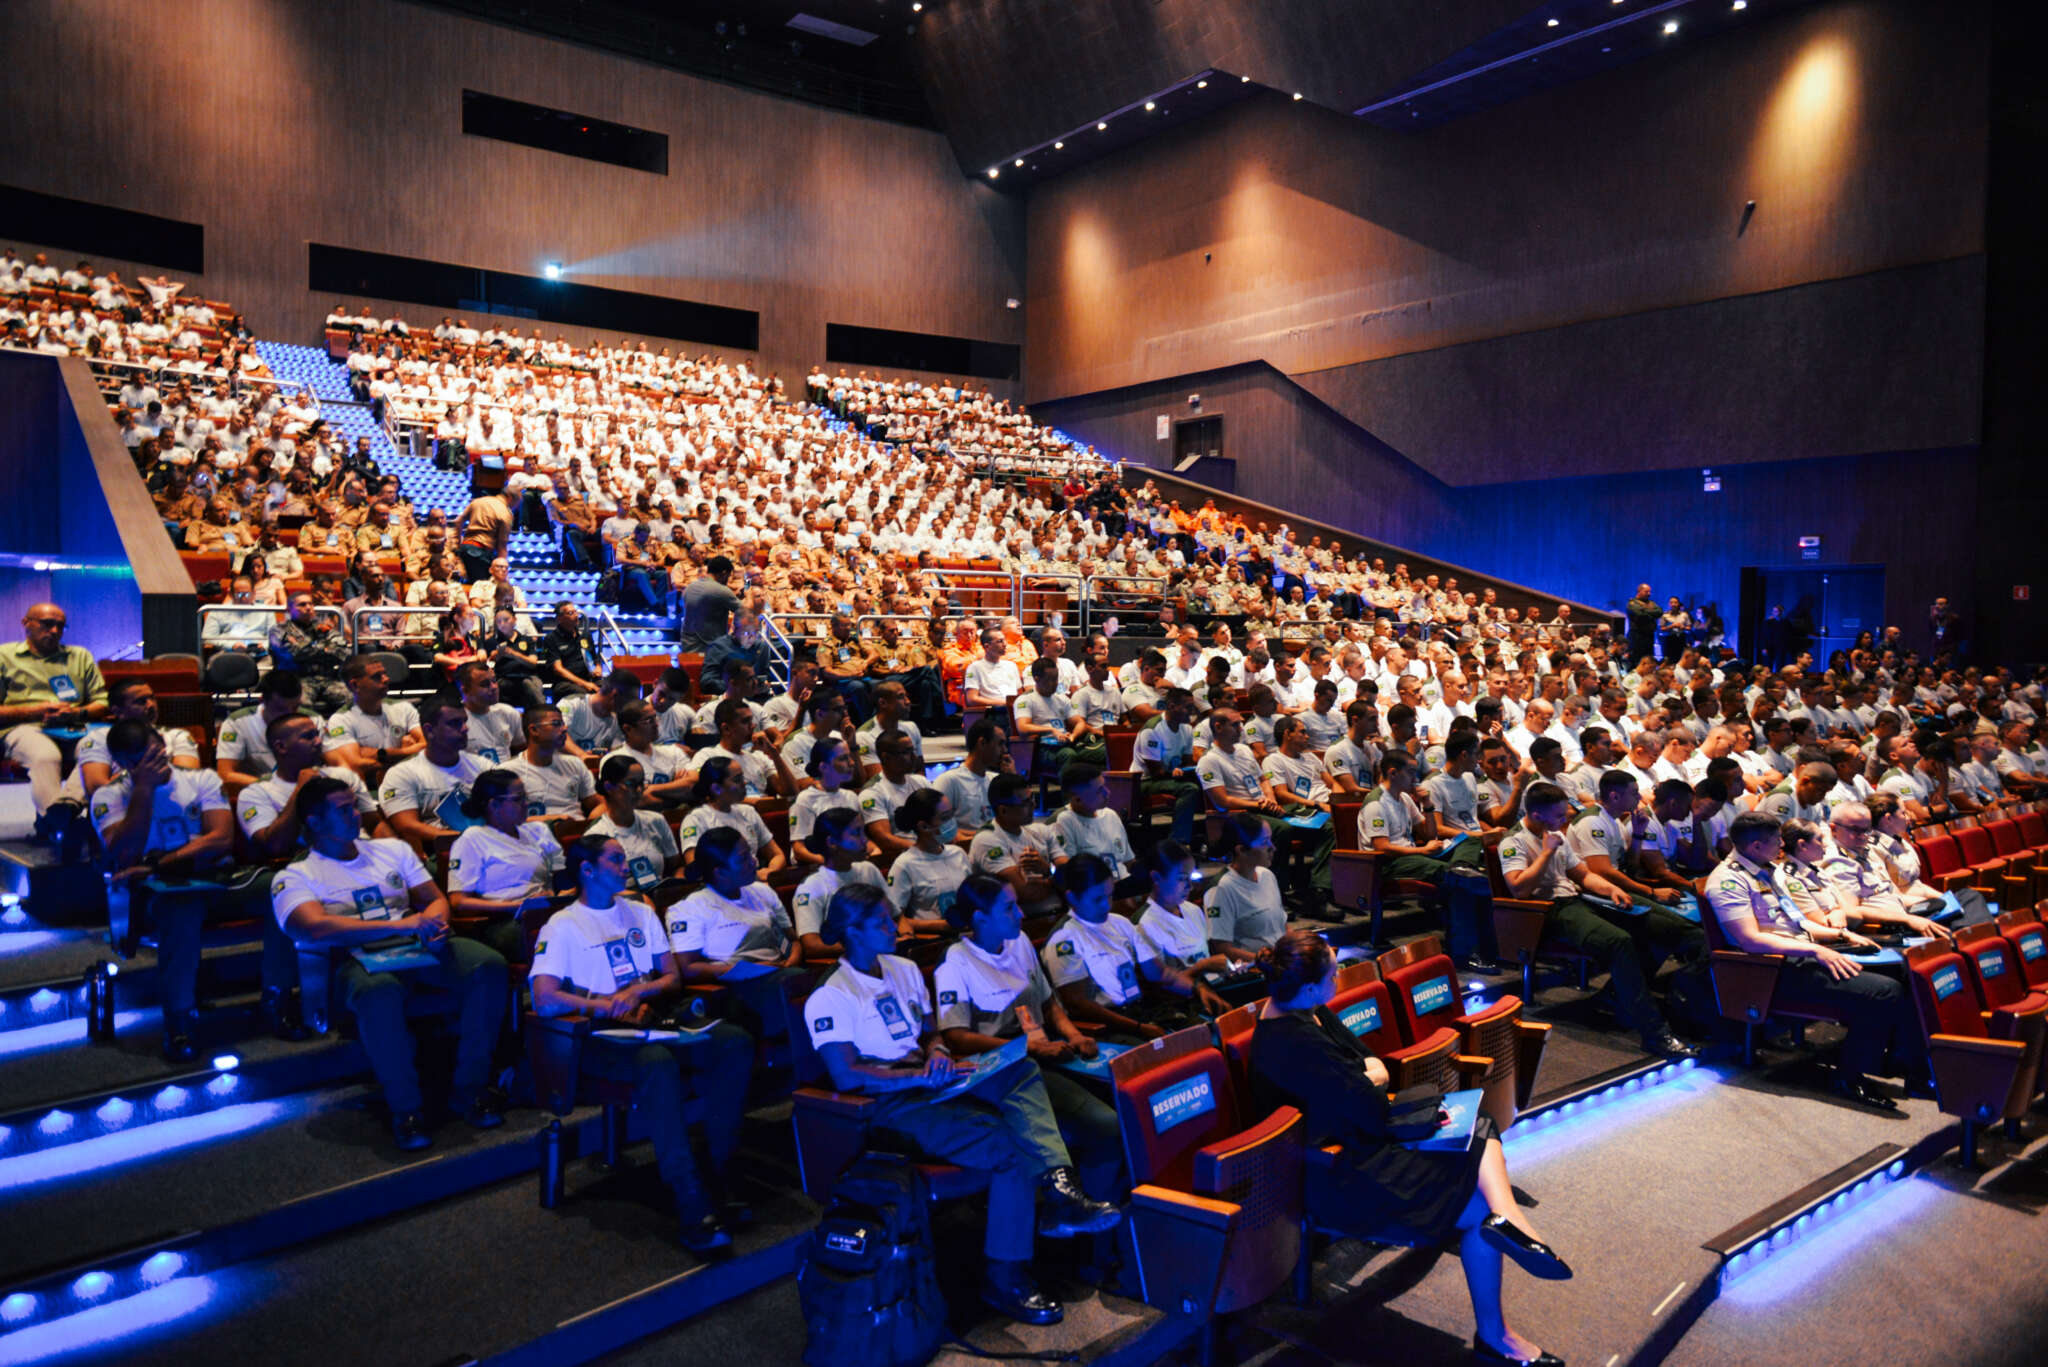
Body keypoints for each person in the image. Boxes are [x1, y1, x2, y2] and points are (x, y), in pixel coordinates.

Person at [1248, 929, 1570, 1367]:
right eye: (1333, 969)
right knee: (1477, 1194)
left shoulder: (1308, 1011)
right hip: (1338, 1175)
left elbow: (1369, 1069)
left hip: (1360, 1145)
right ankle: (1496, 1327)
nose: (1340, 972)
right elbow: (1371, 1099)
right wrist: (1372, 1077)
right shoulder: (1294, 1042)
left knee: (1477, 1123)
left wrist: (1372, 1076)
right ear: (1308, 986)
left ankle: (1506, 1225)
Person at [803, 883, 1121, 1326]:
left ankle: (1059, 1189)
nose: (895, 926)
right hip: (891, 1102)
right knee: (1006, 1144)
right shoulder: (832, 995)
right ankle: (1005, 1276)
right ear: (853, 932)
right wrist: (918, 1074)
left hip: (935, 1078)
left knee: (1020, 1069)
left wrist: (935, 1052)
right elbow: (848, 1075)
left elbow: (931, 1030)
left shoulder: (903, 967)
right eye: (881, 922)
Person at [530, 835, 756, 1252]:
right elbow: (544, 998)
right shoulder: (563, 925)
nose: (626, 865)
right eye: (616, 859)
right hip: (599, 1037)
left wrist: (639, 993)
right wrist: (602, 1005)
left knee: (733, 1042)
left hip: (652, 1019)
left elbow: (671, 976)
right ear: (587, 870)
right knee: (656, 1063)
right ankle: (691, 1200)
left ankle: (722, 1172)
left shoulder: (640, 910)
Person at [271, 776, 508, 1150]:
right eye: (343, 809)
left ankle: (470, 1087)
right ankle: (407, 1110)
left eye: (355, 805)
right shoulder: (296, 875)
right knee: (378, 992)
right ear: (315, 822)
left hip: (416, 946)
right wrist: (404, 923)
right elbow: (313, 928)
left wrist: (435, 923)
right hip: (356, 959)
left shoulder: (391, 850)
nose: (357, 814)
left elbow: (434, 899)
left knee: (488, 966)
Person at [94, 720, 302, 1060]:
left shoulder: (201, 779)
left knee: (281, 888)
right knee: (181, 908)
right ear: (122, 762)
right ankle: (179, 1020)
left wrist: (161, 862)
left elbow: (220, 839)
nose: (148, 766)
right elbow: (124, 853)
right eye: (135, 762)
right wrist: (144, 790)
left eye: (152, 755)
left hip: (213, 880)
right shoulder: (109, 795)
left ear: (163, 744)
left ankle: (279, 997)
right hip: (154, 894)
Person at [1703, 813, 1926, 1110]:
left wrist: (1840, 934)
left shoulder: (1765, 869)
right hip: (1771, 971)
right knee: (1883, 990)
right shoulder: (1728, 880)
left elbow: (1797, 922)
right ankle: (1849, 1076)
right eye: (1776, 841)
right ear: (1756, 846)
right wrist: (1816, 951)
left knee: (1903, 970)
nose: (1783, 845)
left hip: (1802, 954)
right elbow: (1749, 940)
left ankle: (1900, 1060)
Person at [936, 875, 1124, 1200]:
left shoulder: (1019, 941)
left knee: (1129, 1091)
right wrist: (1030, 1047)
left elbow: (1049, 1002)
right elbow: (956, 1037)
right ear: (980, 918)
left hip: (1048, 1049)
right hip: (1008, 1065)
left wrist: (1074, 1035)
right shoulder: (956, 963)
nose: (1021, 914)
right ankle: (1088, 1212)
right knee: (1107, 1125)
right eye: (1009, 908)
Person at [1497, 782, 1699, 1059]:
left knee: (1666, 928)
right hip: (1548, 911)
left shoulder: (1555, 833)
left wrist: (1611, 889)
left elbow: (1582, 874)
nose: (1565, 820)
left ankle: (1632, 998)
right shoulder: (1513, 841)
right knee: (1619, 942)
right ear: (1536, 815)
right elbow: (1518, 888)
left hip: (1579, 899)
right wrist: (1545, 853)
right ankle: (1655, 1034)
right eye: (1558, 815)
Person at [1041, 854, 1225, 1041]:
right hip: (1109, 1026)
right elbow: (1079, 1006)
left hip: (1141, 1012)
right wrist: (1139, 1028)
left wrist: (1197, 988)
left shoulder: (1120, 923)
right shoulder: (1063, 941)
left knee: (1213, 1032)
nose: (1106, 905)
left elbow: (1159, 973)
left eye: (1110, 895)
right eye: (1097, 899)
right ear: (1072, 897)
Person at [667, 826, 802, 1041]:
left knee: (806, 981)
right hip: (733, 986)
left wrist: (792, 960)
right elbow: (688, 968)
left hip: (781, 972)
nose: (754, 862)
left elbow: (792, 940)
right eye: (743, 858)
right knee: (792, 986)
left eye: (750, 853)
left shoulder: (763, 891)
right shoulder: (689, 909)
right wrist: (750, 969)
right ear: (720, 872)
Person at [445, 768, 568, 962]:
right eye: (518, 799)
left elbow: (563, 880)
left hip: (546, 910)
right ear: (494, 805)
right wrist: (514, 906)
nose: (527, 804)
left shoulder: (538, 831)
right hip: (504, 921)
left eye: (525, 797)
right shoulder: (473, 838)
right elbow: (458, 901)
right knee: (562, 939)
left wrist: (557, 896)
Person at [2, 602, 108, 824]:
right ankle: (58, 823)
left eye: (60, 626)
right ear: (26, 623)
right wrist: (35, 711)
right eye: (47, 624)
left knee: (97, 750)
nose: (55, 631)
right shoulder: (5, 656)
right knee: (46, 756)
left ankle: (64, 809)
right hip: (26, 727)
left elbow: (102, 702)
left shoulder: (80, 656)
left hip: (74, 726)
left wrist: (76, 714)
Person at [378, 697, 489, 856]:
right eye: (454, 723)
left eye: (464, 721)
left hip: (485, 846)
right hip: (439, 853)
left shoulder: (482, 766)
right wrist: (464, 839)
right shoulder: (403, 773)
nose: (465, 728)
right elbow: (407, 825)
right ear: (429, 730)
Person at [790, 805, 890, 958]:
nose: (865, 841)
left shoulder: (868, 869)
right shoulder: (811, 887)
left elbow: (895, 915)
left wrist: (905, 932)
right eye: (856, 833)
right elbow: (811, 945)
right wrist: (864, 946)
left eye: (864, 832)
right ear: (832, 842)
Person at [1139, 839, 1252, 973]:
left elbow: (1209, 958)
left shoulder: (1193, 910)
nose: (1190, 887)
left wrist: (1231, 968)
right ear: (1156, 877)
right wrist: (1203, 966)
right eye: (1181, 878)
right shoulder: (1144, 923)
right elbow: (1159, 984)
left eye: (1190, 878)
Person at [587, 755, 684, 893]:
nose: (639, 790)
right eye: (631, 784)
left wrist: (677, 886)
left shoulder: (656, 821)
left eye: (641, 783)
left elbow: (675, 866)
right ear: (609, 787)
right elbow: (597, 888)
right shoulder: (596, 836)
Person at [676, 757, 786, 874]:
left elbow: (777, 855)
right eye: (737, 779)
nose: (744, 783)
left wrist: (770, 871)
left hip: (754, 879)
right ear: (716, 788)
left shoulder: (748, 812)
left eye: (742, 777)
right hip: (721, 885)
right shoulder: (696, 819)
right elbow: (696, 867)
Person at [1203, 812, 1291, 953]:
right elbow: (1221, 948)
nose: (1273, 848)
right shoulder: (1221, 888)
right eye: (1264, 843)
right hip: (1252, 968)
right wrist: (1270, 962)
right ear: (1242, 850)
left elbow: (1282, 927)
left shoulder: (1267, 876)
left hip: (1278, 961)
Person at [323, 656, 424, 778]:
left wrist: (377, 754)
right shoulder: (341, 720)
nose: (386, 679)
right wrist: (407, 751)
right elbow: (356, 765)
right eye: (377, 676)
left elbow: (428, 746)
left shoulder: (403, 707)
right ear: (355, 685)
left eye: (385, 674)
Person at [885, 788, 974, 925]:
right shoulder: (904, 865)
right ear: (924, 826)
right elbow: (896, 919)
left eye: (951, 815)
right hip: (932, 939)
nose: (952, 822)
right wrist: (940, 926)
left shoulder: (958, 853)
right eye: (945, 818)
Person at [505, 703, 601, 824]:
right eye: (556, 724)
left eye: (563, 723)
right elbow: (503, 821)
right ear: (534, 730)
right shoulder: (507, 772)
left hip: (576, 834)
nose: (565, 728)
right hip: (532, 836)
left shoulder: (575, 764)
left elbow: (599, 804)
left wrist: (589, 825)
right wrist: (550, 820)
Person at [789, 734, 864, 865]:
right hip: (818, 867)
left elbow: (861, 838)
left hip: (848, 861)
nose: (852, 763)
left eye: (850, 757)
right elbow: (799, 849)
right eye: (843, 759)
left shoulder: (851, 796)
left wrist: (875, 851)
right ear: (824, 767)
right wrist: (831, 863)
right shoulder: (805, 800)